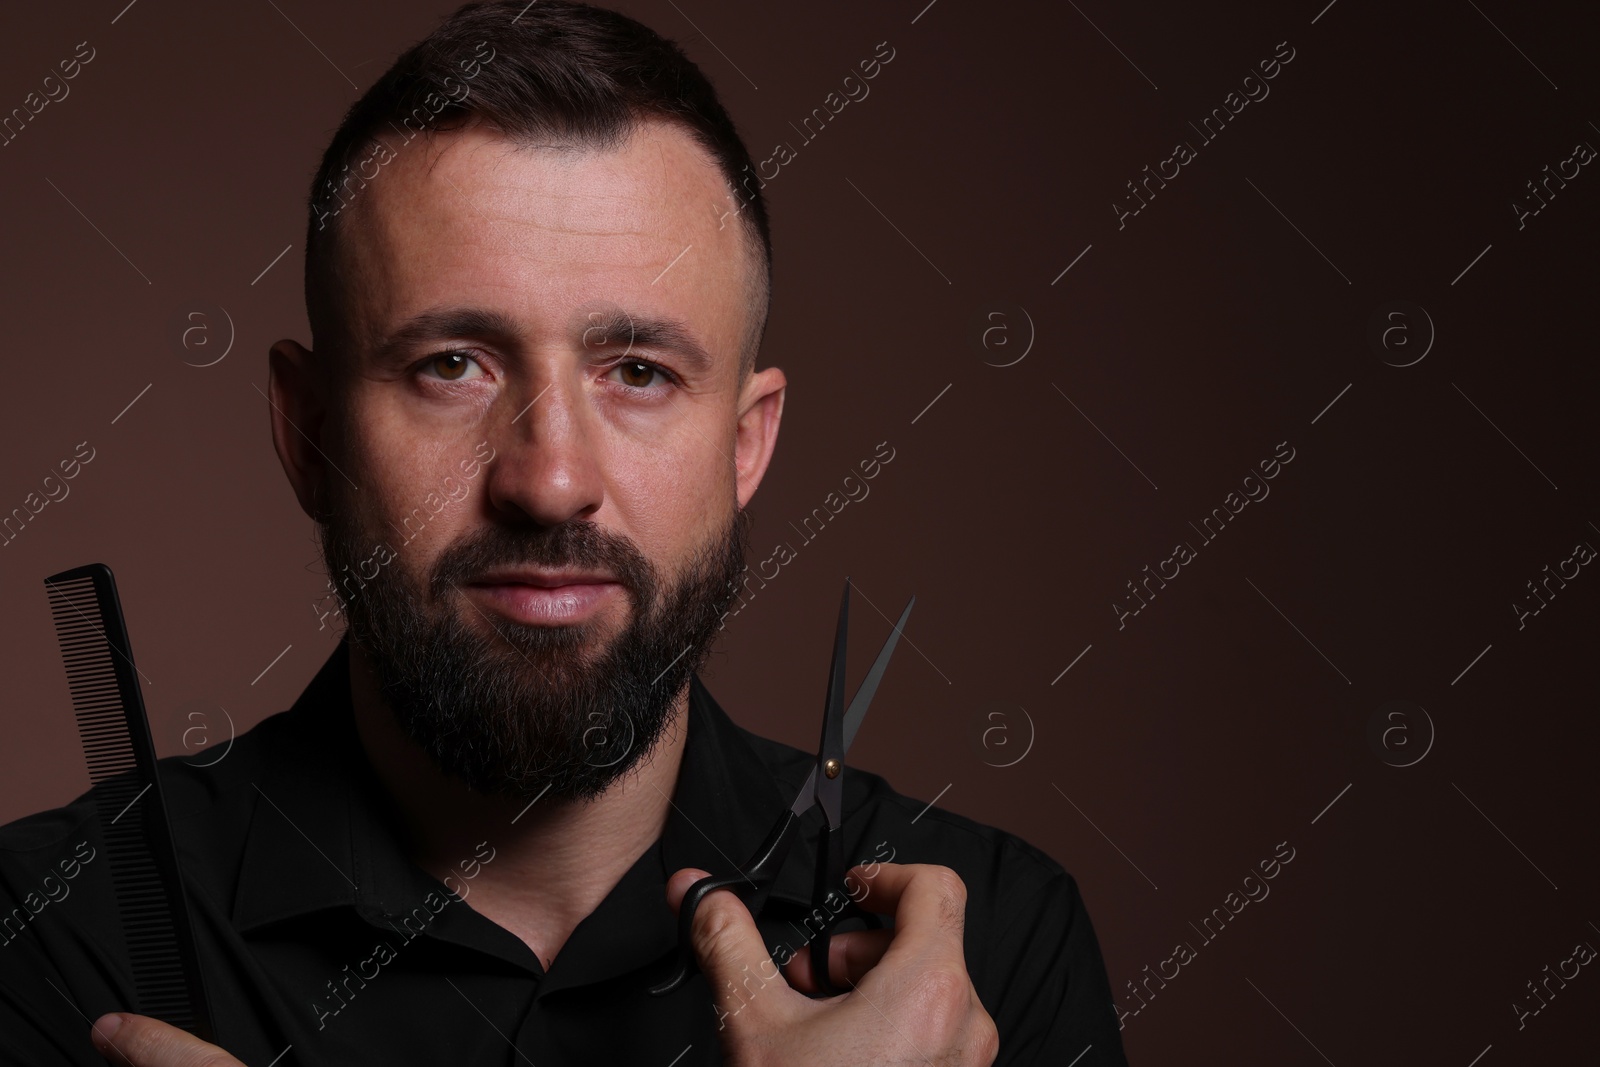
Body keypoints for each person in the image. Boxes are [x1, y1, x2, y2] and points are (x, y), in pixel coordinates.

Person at [0, 2, 1127, 1063]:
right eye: (452, 365)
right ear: (308, 433)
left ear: (746, 443)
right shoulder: (50, 935)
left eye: (637, 372)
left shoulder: (978, 966)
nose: (548, 480)